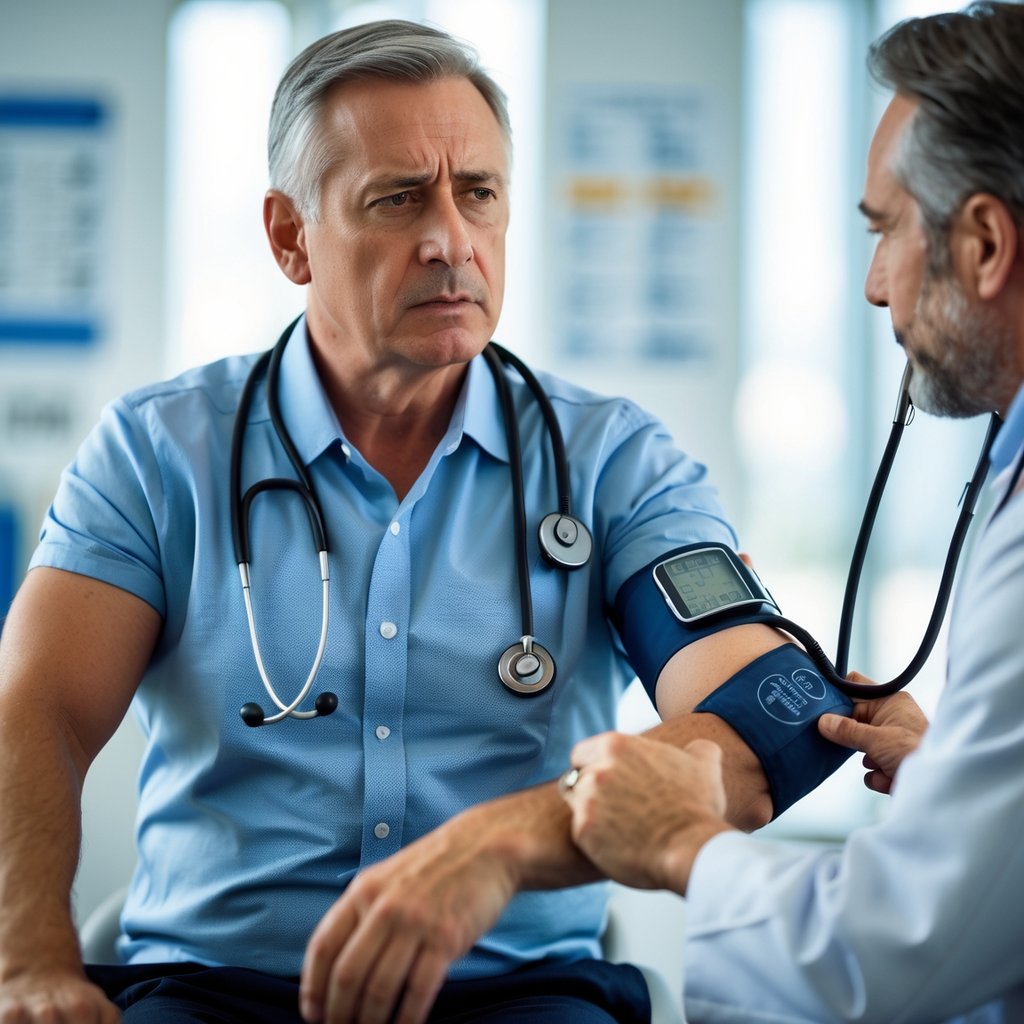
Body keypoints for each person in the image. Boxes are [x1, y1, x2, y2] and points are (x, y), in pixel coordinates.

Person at [0, 18, 858, 1024]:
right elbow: (37, 713)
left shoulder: (614, 463)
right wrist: (30, 962)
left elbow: (767, 720)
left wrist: (499, 844)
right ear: (289, 236)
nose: (449, 237)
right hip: (215, 989)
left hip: (520, 991)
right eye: (398, 198)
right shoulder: (157, 452)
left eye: (478, 193)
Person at [560, 4, 1024, 1022]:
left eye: (886, 231)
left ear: (985, 242)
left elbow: (888, 953)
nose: (872, 286)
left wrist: (678, 840)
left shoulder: (616, 453)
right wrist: (964, 778)